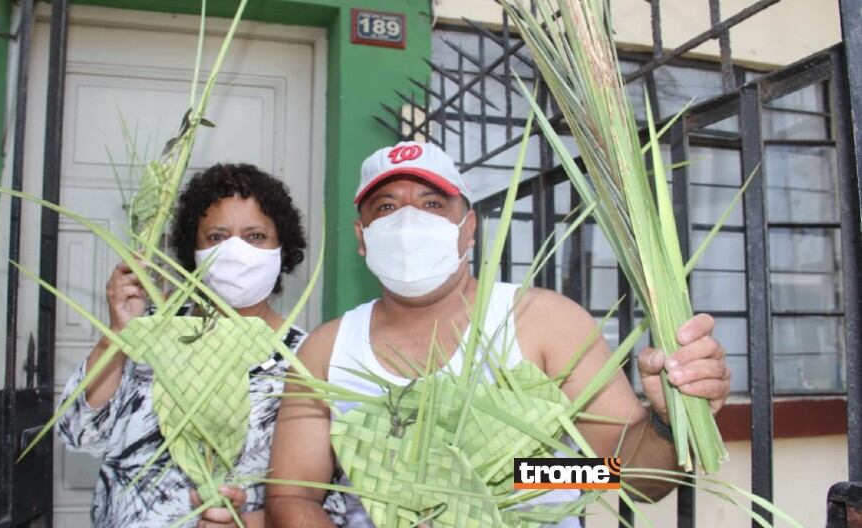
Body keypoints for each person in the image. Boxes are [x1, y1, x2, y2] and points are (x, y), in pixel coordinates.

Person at [265, 142, 732, 527]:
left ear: (468, 230)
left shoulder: (542, 322)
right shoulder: (327, 350)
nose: (408, 221)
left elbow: (630, 479)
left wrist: (668, 421)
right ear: (363, 236)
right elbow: (292, 496)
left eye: (431, 204)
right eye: (386, 207)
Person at [57, 164, 349, 528]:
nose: (235, 251)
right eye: (216, 237)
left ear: (281, 248)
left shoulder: (306, 359)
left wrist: (249, 523)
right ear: (192, 248)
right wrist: (117, 334)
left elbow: (329, 503)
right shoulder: (152, 330)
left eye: (255, 236)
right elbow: (79, 433)